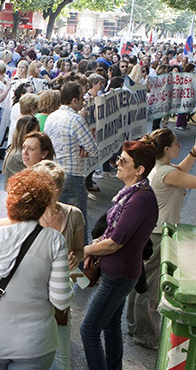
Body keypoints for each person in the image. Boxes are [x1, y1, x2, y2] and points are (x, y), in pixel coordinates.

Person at [0, 169, 72, 369]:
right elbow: (61, 300)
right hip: (36, 343)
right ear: (43, 206)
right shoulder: (53, 241)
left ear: (10, 200)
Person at [127, 129, 196, 350]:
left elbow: (180, 170)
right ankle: (145, 334)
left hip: (150, 231)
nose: (180, 146)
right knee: (149, 287)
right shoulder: (165, 172)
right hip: (156, 234)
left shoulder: (161, 168)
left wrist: (195, 151)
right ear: (166, 149)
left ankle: (134, 325)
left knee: (139, 281)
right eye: (177, 144)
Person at [80, 140, 158, 370]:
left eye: (123, 161)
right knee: (111, 325)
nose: (116, 164)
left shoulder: (140, 198)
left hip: (120, 274)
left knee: (89, 329)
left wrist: (81, 250)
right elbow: (110, 232)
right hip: (118, 270)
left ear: (139, 170)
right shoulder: (132, 193)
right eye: (118, 158)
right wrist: (95, 245)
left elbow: (114, 243)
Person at [30, 160, 84, 370]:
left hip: (60, 296)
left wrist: (75, 256)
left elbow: (80, 249)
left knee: (60, 360)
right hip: (31, 295)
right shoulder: (27, 216)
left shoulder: (73, 215)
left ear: (59, 189)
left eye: (49, 187)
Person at [44, 82, 98, 239]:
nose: (83, 102)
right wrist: (84, 150)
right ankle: (79, 261)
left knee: (55, 222)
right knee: (77, 226)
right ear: (75, 100)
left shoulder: (51, 117)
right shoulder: (76, 120)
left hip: (53, 173)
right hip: (72, 176)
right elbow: (93, 149)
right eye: (81, 98)